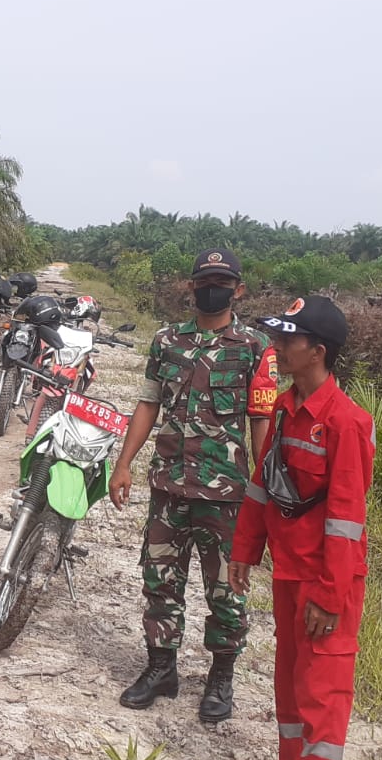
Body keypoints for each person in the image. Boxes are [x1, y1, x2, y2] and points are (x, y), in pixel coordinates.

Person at [107, 247, 278, 724]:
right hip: (168, 489)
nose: (212, 287)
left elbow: (261, 421)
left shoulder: (255, 347)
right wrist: (124, 465)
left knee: (226, 591)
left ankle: (220, 679)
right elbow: (147, 405)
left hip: (226, 498)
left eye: (222, 280)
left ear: (238, 289)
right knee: (160, 583)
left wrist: (264, 495)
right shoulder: (167, 340)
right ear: (190, 286)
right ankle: (161, 669)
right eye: (204, 279)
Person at [229, 296, 373, 760]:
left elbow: (345, 520)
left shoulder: (346, 422)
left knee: (321, 697)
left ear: (317, 350)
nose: (278, 347)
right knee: (290, 687)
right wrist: (244, 551)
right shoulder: (286, 409)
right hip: (289, 573)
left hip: (326, 580)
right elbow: (261, 487)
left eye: (287, 340)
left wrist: (331, 595)